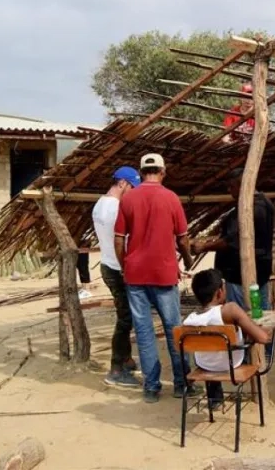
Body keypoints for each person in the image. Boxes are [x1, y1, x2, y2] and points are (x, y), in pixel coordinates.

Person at [114, 153, 198, 403]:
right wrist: (188, 259)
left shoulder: (128, 199)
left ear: (140, 173)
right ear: (163, 171)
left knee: (143, 331)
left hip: (135, 275)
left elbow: (119, 239)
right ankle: (182, 383)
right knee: (174, 329)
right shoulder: (171, 198)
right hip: (163, 273)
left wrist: (124, 265)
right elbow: (182, 238)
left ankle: (151, 386)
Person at [183, 269, 270, 409]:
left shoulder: (190, 319)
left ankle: (216, 400)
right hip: (231, 363)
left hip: (204, 363)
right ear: (219, 292)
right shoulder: (230, 310)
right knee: (250, 339)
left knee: (214, 348)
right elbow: (263, 338)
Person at [192, 168, 274, 310]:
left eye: (232, 187)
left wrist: (203, 247)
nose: (229, 191)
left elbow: (232, 241)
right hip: (258, 272)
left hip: (240, 276)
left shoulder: (251, 208)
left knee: (245, 315)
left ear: (242, 185)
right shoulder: (264, 203)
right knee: (260, 313)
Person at [93, 166, 141, 387]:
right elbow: (122, 241)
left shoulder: (99, 204)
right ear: (122, 183)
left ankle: (126, 358)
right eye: (132, 187)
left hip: (107, 264)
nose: (133, 191)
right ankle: (116, 368)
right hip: (118, 267)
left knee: (125, 315)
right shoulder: (116, 208)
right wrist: (127, 268)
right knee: (125, 320)